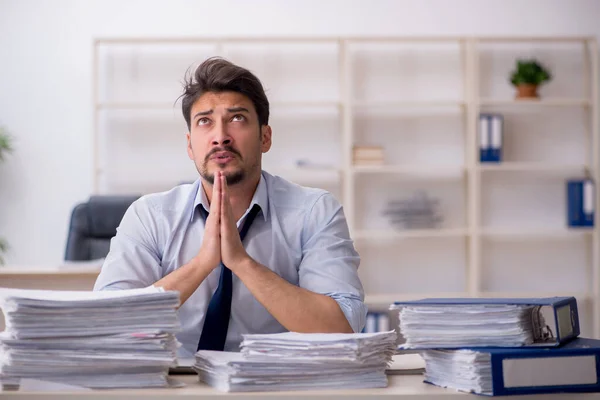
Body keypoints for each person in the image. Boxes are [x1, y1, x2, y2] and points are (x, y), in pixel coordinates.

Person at [94, 57, 367, 358]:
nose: (220, 135)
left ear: (265, 137)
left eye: (237, 118)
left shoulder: (315, 211)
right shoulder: (149, 216)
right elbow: (106, 323)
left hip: (275, 383)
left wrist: (242, 263)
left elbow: (342, 329)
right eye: (205, 121)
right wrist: (201, 265)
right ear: (190, 145)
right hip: (175, 385)